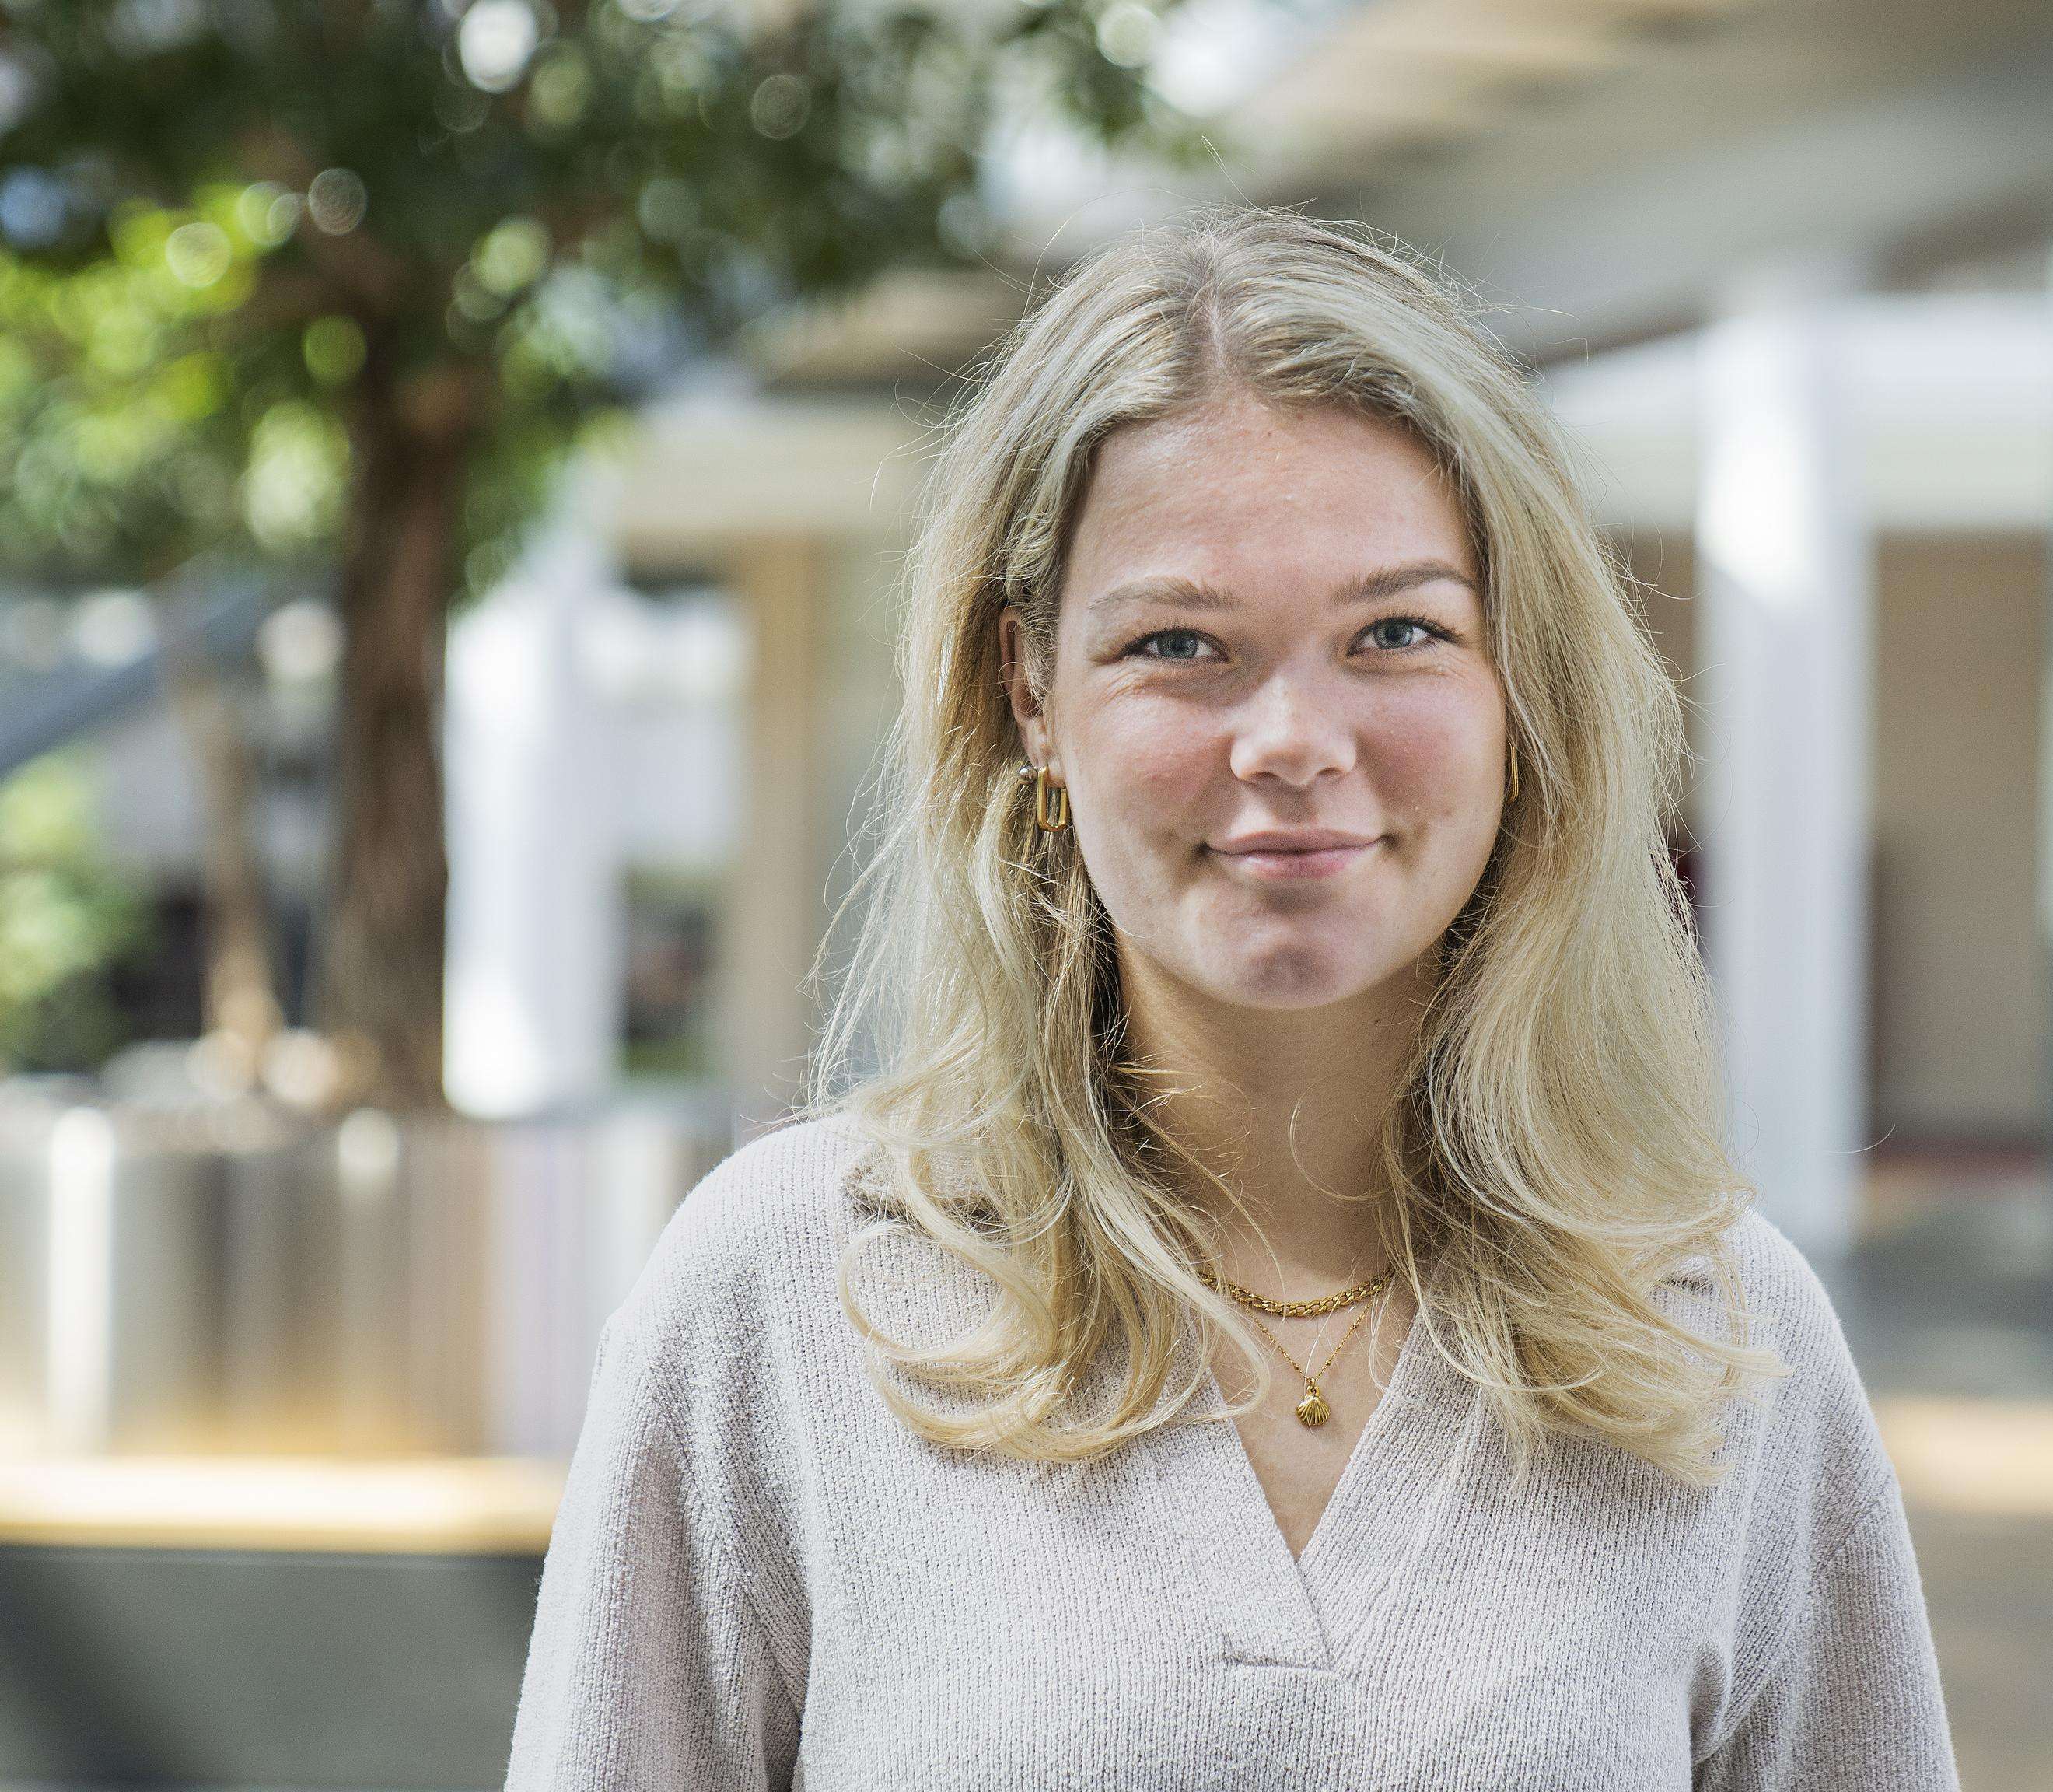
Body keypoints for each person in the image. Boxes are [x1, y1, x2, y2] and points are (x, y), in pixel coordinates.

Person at [503, 205, 1957, 1790]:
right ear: (1029, 694)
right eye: (1180, 643)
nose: (1291, 739)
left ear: (1515, 687)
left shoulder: (1721, 1339)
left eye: (1395, 631)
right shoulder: (781, 1297)